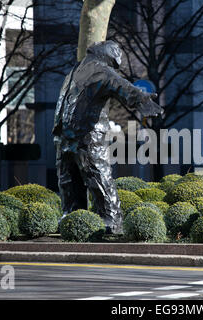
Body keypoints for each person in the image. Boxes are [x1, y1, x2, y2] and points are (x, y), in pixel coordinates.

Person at [53, 40, 162, 234]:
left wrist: (141, 100)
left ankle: (111, 219)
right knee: (68, 180)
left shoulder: (99, 69)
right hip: (66, 137)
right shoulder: (77, 69)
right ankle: (72, 216)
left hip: (88, 135)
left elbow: (121, 85)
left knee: (97, 175)